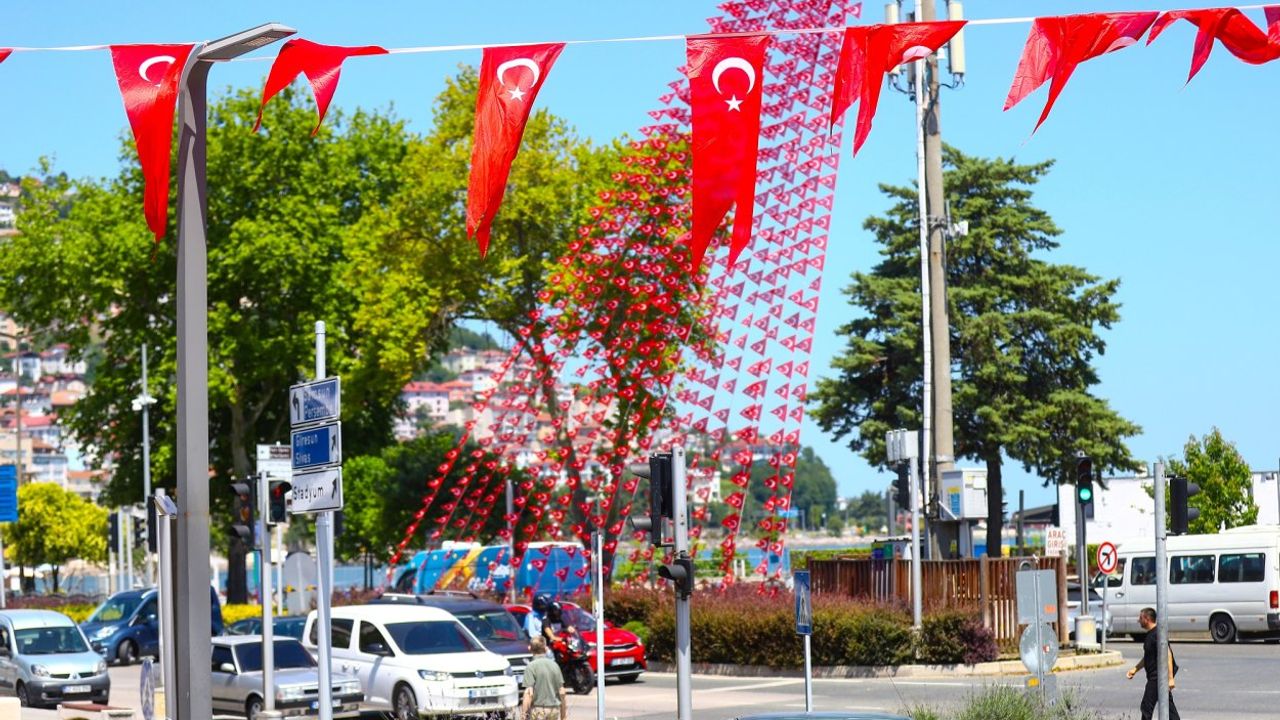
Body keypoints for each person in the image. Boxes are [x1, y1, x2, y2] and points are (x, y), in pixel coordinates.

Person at [1126, 607, 1180, 720]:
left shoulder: (1157, 634)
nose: (1138, 621)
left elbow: (1167, 655)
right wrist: (1135, 669)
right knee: (1169, 707)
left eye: (1140, 618)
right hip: (1156, 677)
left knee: (1146, 707)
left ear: (1147, 619)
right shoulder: (1152, 634)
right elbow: (1147, 657)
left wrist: (1170, 678)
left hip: (1158, 677)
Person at [521, 636, 566, 720]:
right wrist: (563, 716)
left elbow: (528, 693)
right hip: (554, 710)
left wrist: (523, 715)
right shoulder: (555, 666)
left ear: (529, 648)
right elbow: (562, 692)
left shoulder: (531, 667)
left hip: (538, 710)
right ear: (546, 649)